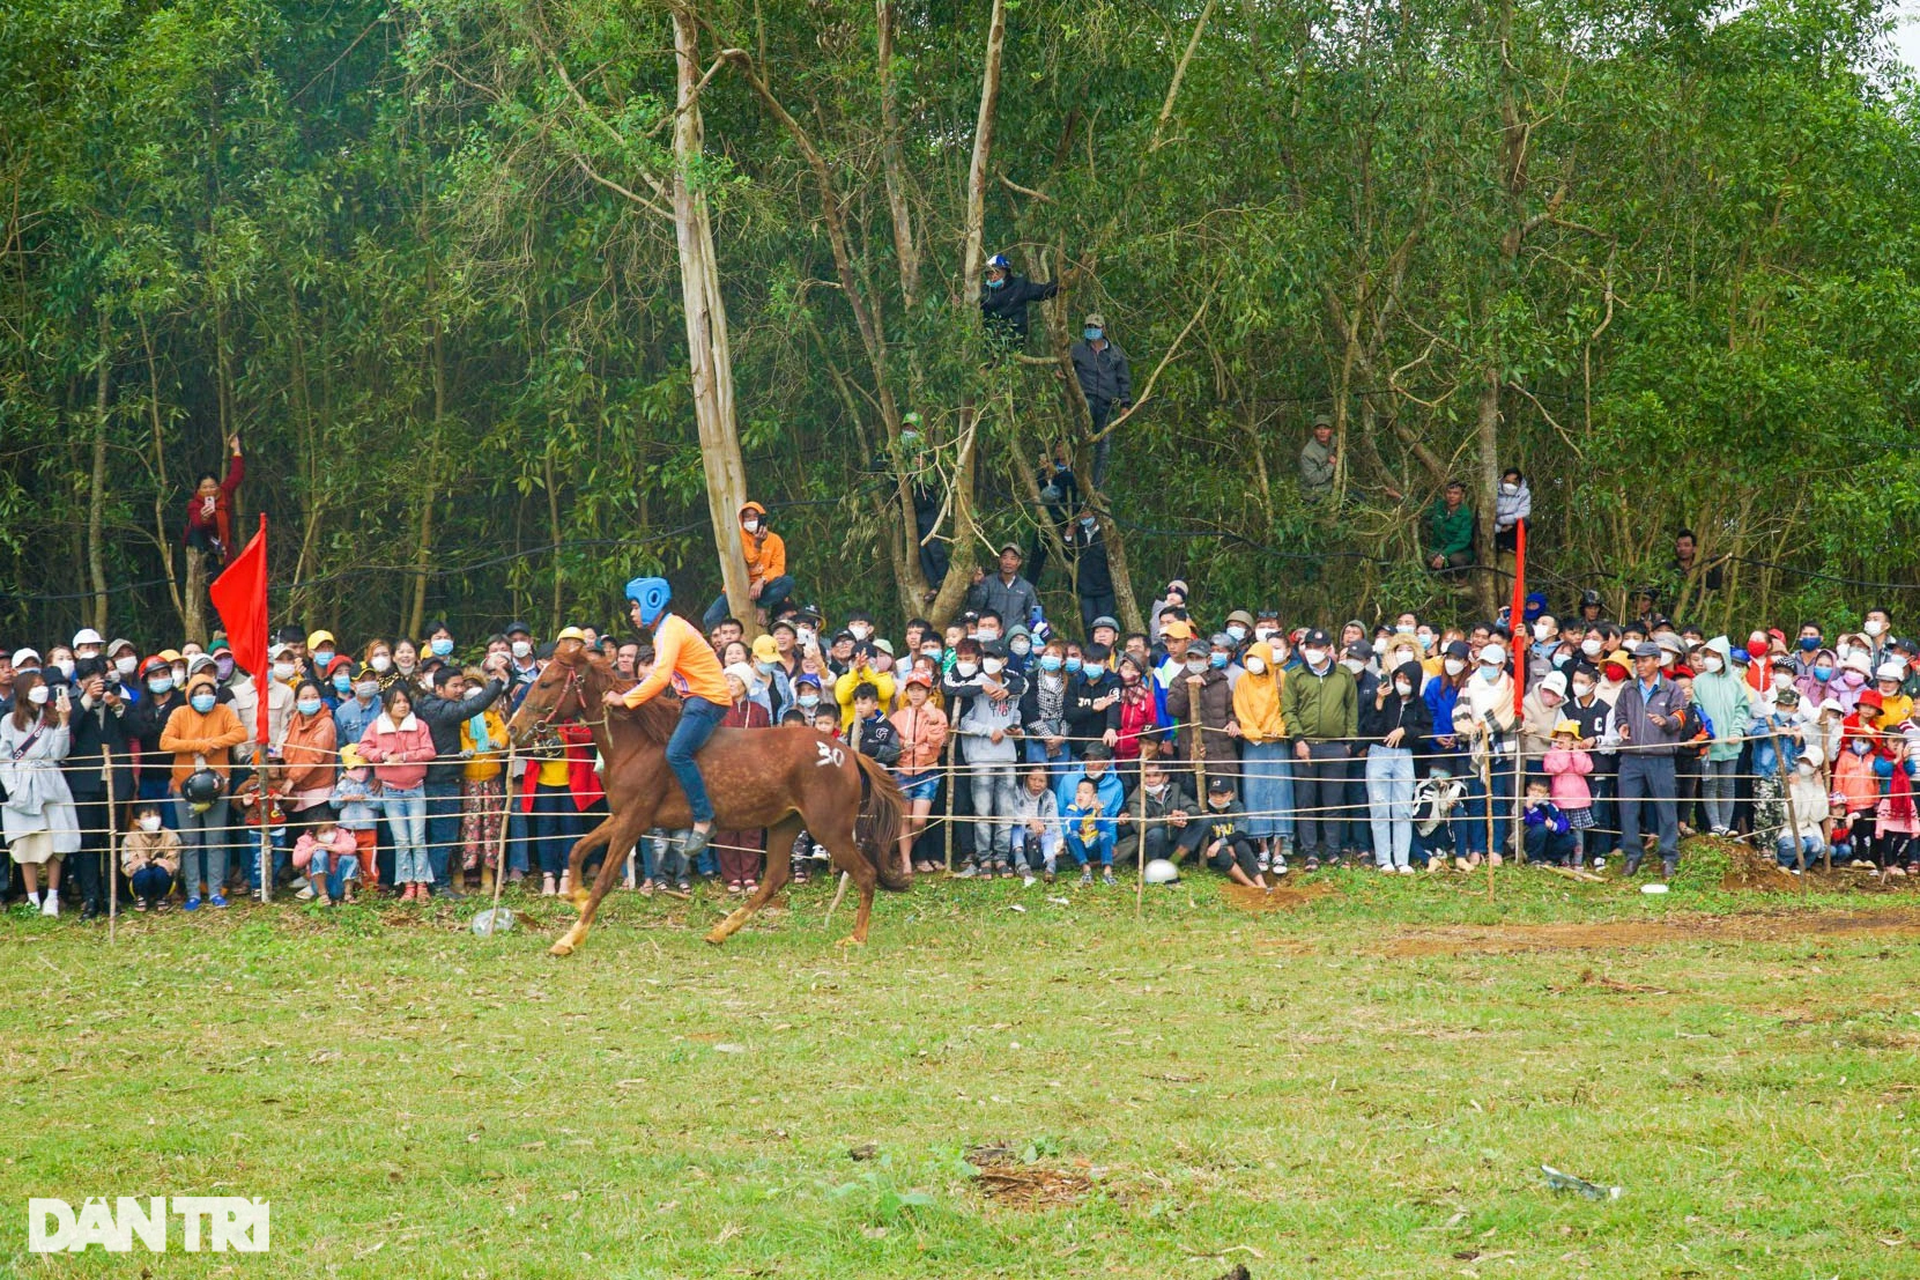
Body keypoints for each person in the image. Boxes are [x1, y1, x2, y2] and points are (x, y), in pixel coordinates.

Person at [607, 577, 731, 860]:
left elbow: (660, 677)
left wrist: (625, 699)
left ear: (652, 603)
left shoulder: (670, 631)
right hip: (696, 698)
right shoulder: (666, 629)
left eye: (636, 607)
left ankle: (703, 819)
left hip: (707, 698)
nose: (632, 614)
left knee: (676, 753)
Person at [415, 658, 509, 897]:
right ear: (439, 689)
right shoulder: (439, 708)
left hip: (446, 779)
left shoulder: (429, 704)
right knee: (443, 835)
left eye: (461, 686)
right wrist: (497, 683)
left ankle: (435, 882)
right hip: (441, 780)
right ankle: (440, 884)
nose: (460, 691)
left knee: (444, 834)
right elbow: (468, 708)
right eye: (455, 686)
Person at [159, 668, 248, 908]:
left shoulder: (223, 712)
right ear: (190, 694)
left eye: (209, 691)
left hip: (217, 786)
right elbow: (165, 742)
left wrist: (214, 743)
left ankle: (216, 890)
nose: (204, 696)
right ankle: (193, 893)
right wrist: (195, 745)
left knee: (216, 839)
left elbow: (240, 732)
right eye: (199, 692)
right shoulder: (179, 713)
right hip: (184, 786)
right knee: (189, 841)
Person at [0, 670, 78, 915]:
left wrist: (65, 722)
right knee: (26, 843)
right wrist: (13, 789)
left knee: (57, 842)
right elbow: (3, 759)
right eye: (35, 685)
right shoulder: (9, 721)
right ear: (24, 690)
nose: (41, 688)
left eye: (43, 684)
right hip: (22, 785)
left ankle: (52, 897)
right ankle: (33, 899)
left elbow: (59, 753)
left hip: (51, 781)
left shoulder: (52, 718)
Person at [946, 640, 1025, 876]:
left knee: (1005, 810)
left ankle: (1001, 858)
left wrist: (1017, 730)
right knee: (982, 810)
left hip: (1008, 757)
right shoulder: (974, 686)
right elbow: (963, 721)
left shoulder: (1014, 688)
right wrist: (989, 731)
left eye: (995, 657)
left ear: (1004, 662)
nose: (990, 661)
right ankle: (984, 859)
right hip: (980, 757)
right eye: (986, 656)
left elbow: (1017, 715)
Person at [1281, 629, 1358, 871]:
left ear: (1328, 649)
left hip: (1335, 746)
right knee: (1306, 802)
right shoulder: (1295, 675)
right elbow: (1289, 710)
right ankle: (1310, 851)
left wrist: (1348, 743)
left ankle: (1333, 851)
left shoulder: (1344, 675)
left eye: (1317, 646)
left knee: (1333, 803)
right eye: (1308, 645)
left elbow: (1351, 710)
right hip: (1305, 745)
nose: (1311, 650)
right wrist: (1298, 740)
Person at [64, 662, 132, 920]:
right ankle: (91, 898)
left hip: (117, 781)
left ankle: (111, 896)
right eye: (90, 679)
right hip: (85, 784)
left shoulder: (117, 700)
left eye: (100, 677)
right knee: (89, 843)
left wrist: (116, 704)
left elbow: (139, 730)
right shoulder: (72, 705)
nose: (97, 683)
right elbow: (68, 732)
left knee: (112, 840)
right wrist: (85, 700)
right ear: (79, 682)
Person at [1614, 641, 1686, 878]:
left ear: (1657, 661)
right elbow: (1620, 714)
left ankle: (1668, 856)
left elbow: (1681, 716)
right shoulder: (1628, 688)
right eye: (1637, 661)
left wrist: (1667, 722)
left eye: (1644, 660)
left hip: (1661, 757)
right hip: (1631, 756)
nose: (1639, 665)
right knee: (1628, 807)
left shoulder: (1672, 688)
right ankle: (1632, 855)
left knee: (1666, 808)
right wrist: (1622, 726)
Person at [358, 685, 435, 901]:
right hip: (391, 790)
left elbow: (429, 751)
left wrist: (404, 757)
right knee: (401, 840)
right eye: (397, 702)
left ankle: (422, 884)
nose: (402, 705)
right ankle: (407, 885)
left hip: (416, 788)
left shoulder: (419, 725)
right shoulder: (376, 726)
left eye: (405, 701)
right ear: (387, 706)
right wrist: (382, 755)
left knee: (417, 838)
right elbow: (362, 749)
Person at [1363, 658, 1431, 873]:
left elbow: (1426, 731)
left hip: (1404, 756)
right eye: (1399, 677)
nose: (1402, 682)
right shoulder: (1385, 698)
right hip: (1379, 754)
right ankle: (1384, 859)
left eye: (1406, 679)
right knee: (1380, 808)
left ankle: (1402, 859)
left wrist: (1405, 731)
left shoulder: (1419, 704)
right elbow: (1369, 729)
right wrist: (1379, 703)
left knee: (1402, 809)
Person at [1233, 640, 1293, 870]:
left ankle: (1278, 849)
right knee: (1254, 793)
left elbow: (1285, 706)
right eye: (1251, 658)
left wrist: (1279, 728)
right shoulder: (1242, 680)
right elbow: (1241, 709)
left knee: (1281, 792)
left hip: (1278, 743)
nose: (1254, 663)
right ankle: (1262, 849)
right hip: (1253, 744)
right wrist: (1253, 732)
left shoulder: (1282, 677)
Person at [1690, 636, 1752, 836]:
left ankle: (1727, 825)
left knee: (1727, 784)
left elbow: (1742, 709)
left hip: (1731, 744)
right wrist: (1706, 734)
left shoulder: (1735, 682)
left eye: (1715, 655)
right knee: (1709, 784)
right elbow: (1696, 709)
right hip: (1708, 743)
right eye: (1707, 655)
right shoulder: (1698, 682)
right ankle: (1714, 825)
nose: (1710, 659)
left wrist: (1736, 732)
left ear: (1724, 657)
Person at [890, 671, 949, 875]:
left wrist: (932, 719)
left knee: (919, 821)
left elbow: (938, 744)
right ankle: (906, 861)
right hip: (902, 771)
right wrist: (901, 744)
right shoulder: (898, 716)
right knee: (904, 819)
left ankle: (905, 852)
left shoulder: (938, 715)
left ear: (928, 692)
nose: (916, 694)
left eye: (920, 690)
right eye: (912, 690)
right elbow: (890, 742)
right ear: (906, 692)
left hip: (927, 771)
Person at [705, 502, 793, 630]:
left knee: (787, 582)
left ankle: (761, 606)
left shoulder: (775, 540)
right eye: (747, 517)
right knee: (710, 618)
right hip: (737, 588)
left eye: (755, 516)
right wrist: (757, 545)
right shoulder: (736, 538)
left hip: (763, 589)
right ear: (742, 519)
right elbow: (750, 561)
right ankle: (726, 644)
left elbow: (779, 568)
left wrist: (762, 580)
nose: (751, 520)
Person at [1070, 313, 1132, 488]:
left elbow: (1124, 380)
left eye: (1095, 327)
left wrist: (1125, 404)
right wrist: (1061, 373)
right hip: (1085, 400)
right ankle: (1075, 480)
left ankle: (1096, 488)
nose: (1091, 330)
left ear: (1103, 329)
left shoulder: (1115, 354)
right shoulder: (1077, 351)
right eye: (1088, 327)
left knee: (1104, 448)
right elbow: (1065, 367)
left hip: (1107, 404)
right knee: (1081, 437)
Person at [1193, 778, 1266, 890]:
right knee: (1221, 853)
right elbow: (1203, 835)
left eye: (1223, 795)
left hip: (1231, 844)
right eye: (1214, 794)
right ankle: (1250, 885)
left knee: (1241, 845)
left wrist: (1220, 842)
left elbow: (1241, 832)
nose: (1218, 799)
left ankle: (1261, 883)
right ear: (1208, 794)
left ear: (1231, 795)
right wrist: (1224, 845)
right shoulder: (1203, 809)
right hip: (1212, 850)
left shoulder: (1236, 806)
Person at [182, 434, 244, 565]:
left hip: (224, 547)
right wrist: (204, 517)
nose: (209, 490)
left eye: (212, 486)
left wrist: (236, 449)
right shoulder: (195, 504)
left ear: (218, 486)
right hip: (204, 549)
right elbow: (197, 523)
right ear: (198, 489)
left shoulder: (223, 493)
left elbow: (236, 476)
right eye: (205, 487)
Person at [1542, 721, 1596, 865]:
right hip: (1560, 800)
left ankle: (1577, 861)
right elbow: (1555, 768)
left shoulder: (1580, 754)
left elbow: (1584, 769)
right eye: (1561, 736)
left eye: (1567, 736)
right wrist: (1565, 752)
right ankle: (1564, 860)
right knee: (1562, 831)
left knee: (1578, 832)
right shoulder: (1552, 754)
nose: (1563, 739)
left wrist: (1576, 752)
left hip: (1579, 800)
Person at [978, 252, 1058, 347]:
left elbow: (1043, 291)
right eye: (990, 273)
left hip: (1015, 341)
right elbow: (969, 310)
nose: (993, 277)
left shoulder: (1019, 286)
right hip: (991, 343)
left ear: (1005, 272)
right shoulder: (983, 292)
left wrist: (1060, 280)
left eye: (996, 272)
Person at [331, 745, 381, 894]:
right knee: (346, 858)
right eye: (354, 768)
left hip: (368, 828)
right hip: (346, 828)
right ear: (346, 769)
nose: (359, 772)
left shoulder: (373, 784)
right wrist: (343, 798)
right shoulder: (342, 784)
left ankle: (371, 889)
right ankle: (346, 888)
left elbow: (381, 804)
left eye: (362, 767)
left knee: (368, 859)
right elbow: (333, 803)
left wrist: (366, 798)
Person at [966, 543, 1040, 630]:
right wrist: (976, 585)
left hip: (1014, 637)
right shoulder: (988, 582)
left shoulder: (1027, 587)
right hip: (990, 634)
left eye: (1013, 558)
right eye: (1005, 557)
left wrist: (1023, 631)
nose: (1008, 562)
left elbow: (1036, 617)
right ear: (1000, 560)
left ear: (1019, 562)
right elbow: (975, 607)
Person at [1065, 508, 1117, 635]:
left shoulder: (1105, 533)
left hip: (1105, 589)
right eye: (1081, 512)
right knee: (1089, 624)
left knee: (1106, 623)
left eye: (1087, 513)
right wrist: (1068, 537)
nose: (1084, 516)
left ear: (1095, 514)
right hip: (1086, 589)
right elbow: (1069, 556)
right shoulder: (1079, 533)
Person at [1008, 764, 1063, 883]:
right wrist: (1029, 820)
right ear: (1025, 778)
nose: (1037, 784)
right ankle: (1020, 863)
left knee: (1048, 833)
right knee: (1017, 827)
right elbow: (1010, 814)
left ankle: (1050, 866)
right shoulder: (1017, 791)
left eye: (1041, 781)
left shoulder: (1049, 796)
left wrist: (1059, 841)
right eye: (1033, 779)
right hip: (1020, 839)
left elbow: (1053, 820)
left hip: (1039, 837)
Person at [122, 802, 182, 911]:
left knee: (160, 872)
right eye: (148, 816)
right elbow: (128, 868)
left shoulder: (171, 836)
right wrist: (142, 862)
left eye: (157, 815)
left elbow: (175, 865)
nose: (154, 819)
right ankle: (141, 898)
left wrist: (164, 863)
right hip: (139, 880)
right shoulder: (130, 838)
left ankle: (162, 897)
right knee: (144, 873)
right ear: (137, 822)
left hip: (164, 879)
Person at [1062, 776, 1118, 884]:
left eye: (1085, 792)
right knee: (1072, 834)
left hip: (1094, 846)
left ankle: (1107, 872)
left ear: (1094, 796)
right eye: (1078, 792)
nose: (1080, 795)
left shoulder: (1098, 808)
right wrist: (1081, 810)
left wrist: (1099, 814)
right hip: (1079, 847)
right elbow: (1071, 827)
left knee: (1105, 835)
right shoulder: (1072, 808)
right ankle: (1086, 869)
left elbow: (1105, 829)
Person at [1520, 780, 1576, 865]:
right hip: (1532, 838)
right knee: (1541, 828)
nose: (1535, 794)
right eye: (1533, 790)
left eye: (1540, 791)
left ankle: (1550, 859)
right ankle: (1534, 859)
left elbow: (1565, 823)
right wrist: (1531, 808)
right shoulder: (1522, 805)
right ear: (1527, 790)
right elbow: (1531, 822)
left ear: (1547, 795)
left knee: (1571, 839)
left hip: (1549, 838)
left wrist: (1554, 826)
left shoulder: (1551, 806)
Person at [1425, 480, 1475, 572]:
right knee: (1430, 558)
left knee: (1455, 559)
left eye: (1456, 493)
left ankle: (1462, 578)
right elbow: (1422, 512)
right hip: (1439, 547)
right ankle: (1446, 577)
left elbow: (1462, 540)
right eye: (1449, 492)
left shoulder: (1465, 514)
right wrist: (1401, 498)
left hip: (1459, 551)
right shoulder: (1439, 506)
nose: (1451, 496)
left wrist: (1443, 554)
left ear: (1462, 495)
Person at [1298, 415, 1336, 502]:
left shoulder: (1335, 441)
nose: (1322, 432)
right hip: (1315, 493)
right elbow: (1313, 479)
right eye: (1319, 429)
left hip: (1331, 486)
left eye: (1326, 428)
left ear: (1331, 431)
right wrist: (1331, 465)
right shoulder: (1308, 452)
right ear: (1314, 431)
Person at [1493, 467, 1532, 553]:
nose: (1510, 485)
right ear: (1503, 480)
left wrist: (1507, 522)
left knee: (1525, 522)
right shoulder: (1494, 490)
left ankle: (1512, 548)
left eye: (1514, 483)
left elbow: (1524, 512)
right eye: (1507, 482)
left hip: (1512, 527)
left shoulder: (1524, 493)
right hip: (1496, 527)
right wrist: (1499, 527)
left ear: (1519, 483)